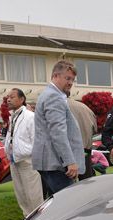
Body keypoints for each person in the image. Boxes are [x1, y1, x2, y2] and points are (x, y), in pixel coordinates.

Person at [32, 60, 85, 195]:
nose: (70, 83)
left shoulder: (50, 95)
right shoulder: (53, 97)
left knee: (56, 205)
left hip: (51, 162)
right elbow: (58, 133)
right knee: (69, 205)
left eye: (72, 79)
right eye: (67, 78)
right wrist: (70, 161)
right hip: (56, 163)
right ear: (55, 76)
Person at [4, 88, 44, 216]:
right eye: (7, 97)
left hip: (28, 161)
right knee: (21, 195)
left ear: (22, 99)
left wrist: (26, 153)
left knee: (33, 196)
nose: (8, 99)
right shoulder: (13, 117)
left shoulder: (30, 117)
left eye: (12, 97)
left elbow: (37, 140)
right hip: (14, 161)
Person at [68, 98, 97, 180]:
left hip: (68, 150)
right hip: (85, 149)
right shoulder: (85, 108)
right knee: (86, 181)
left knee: (66, 185)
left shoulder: (58, 105)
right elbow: (95, 129)